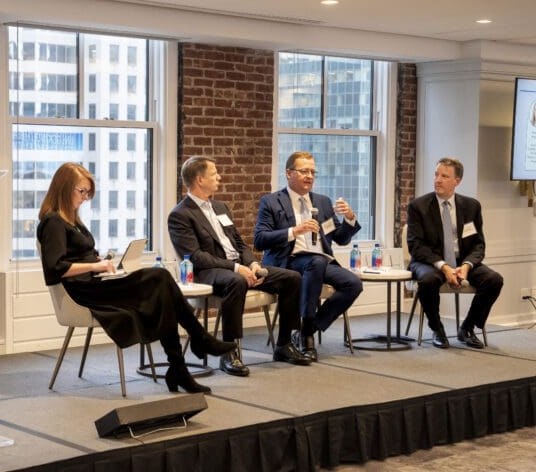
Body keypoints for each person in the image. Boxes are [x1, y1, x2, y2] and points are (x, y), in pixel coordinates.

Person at [37, 162, 236, 394]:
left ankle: (180, 365)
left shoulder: (72, 221)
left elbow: (75, 256)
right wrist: (94, 265)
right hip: (83, 293)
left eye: (87, 193)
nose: (85, 198)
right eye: (82, 191)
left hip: (95, 284)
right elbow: (56, 267)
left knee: (162, 291)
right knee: (160, 278)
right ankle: (196, 343)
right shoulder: (53, 222)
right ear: (64, 188)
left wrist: (98, 262)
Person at [167, 156, 311, 376]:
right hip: (207, 273)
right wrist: (236, 269)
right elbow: (196, 257)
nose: (219, 177)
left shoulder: (220, 207)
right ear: (199, 180)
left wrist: (252, 263)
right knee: (236, 281)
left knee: (292, 278)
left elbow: (238, 243)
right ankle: (229, 352)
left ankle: (284, 345)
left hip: (238, 266)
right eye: (214, 174)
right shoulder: (180, 214)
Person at [253, 151, 362, 361]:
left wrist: (349, 218)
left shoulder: (322, 202)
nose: (309, 176)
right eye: (304, 171)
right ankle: (307, 339)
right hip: (288, 262)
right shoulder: (272, 201)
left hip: (319, 261)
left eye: (313, 172)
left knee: (353, 284)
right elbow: (260, 240)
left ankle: (308, 328)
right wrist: (294, 231)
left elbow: (340, 239)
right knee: (316, 262)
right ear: (289, 173)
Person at [406, 157, 503, 349]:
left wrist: (466, 266)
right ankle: (437, 329)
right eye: (436, 175)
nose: (438, 180)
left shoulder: (471, 206)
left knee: (494, 280)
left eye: (444, 176)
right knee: (428, 281)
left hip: (461, 261)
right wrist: (444, 267)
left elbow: (478, 244)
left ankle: (467, 328)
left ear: (457, 181)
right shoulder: (418, 206)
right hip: (429, 262)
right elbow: (416, 245)